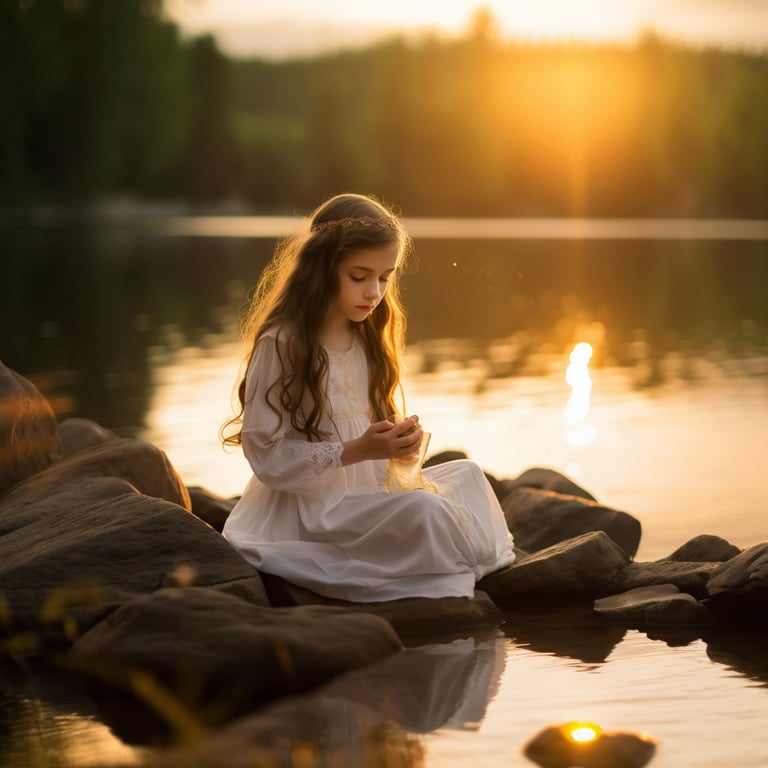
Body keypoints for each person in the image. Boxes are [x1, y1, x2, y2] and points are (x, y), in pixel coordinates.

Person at [221, 193, 515, 602]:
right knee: (427, 511)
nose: (374, 292)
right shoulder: (283, 343)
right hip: (314, 512)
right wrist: (356, 450)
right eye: (359, 276)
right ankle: (435, 564)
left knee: (468, 475)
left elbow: (376, 429)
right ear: (320, 269)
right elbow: (266, 454)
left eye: (384, 278)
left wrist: (400, 443)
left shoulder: (368, 337)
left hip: (370, 495)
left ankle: (445, 556)